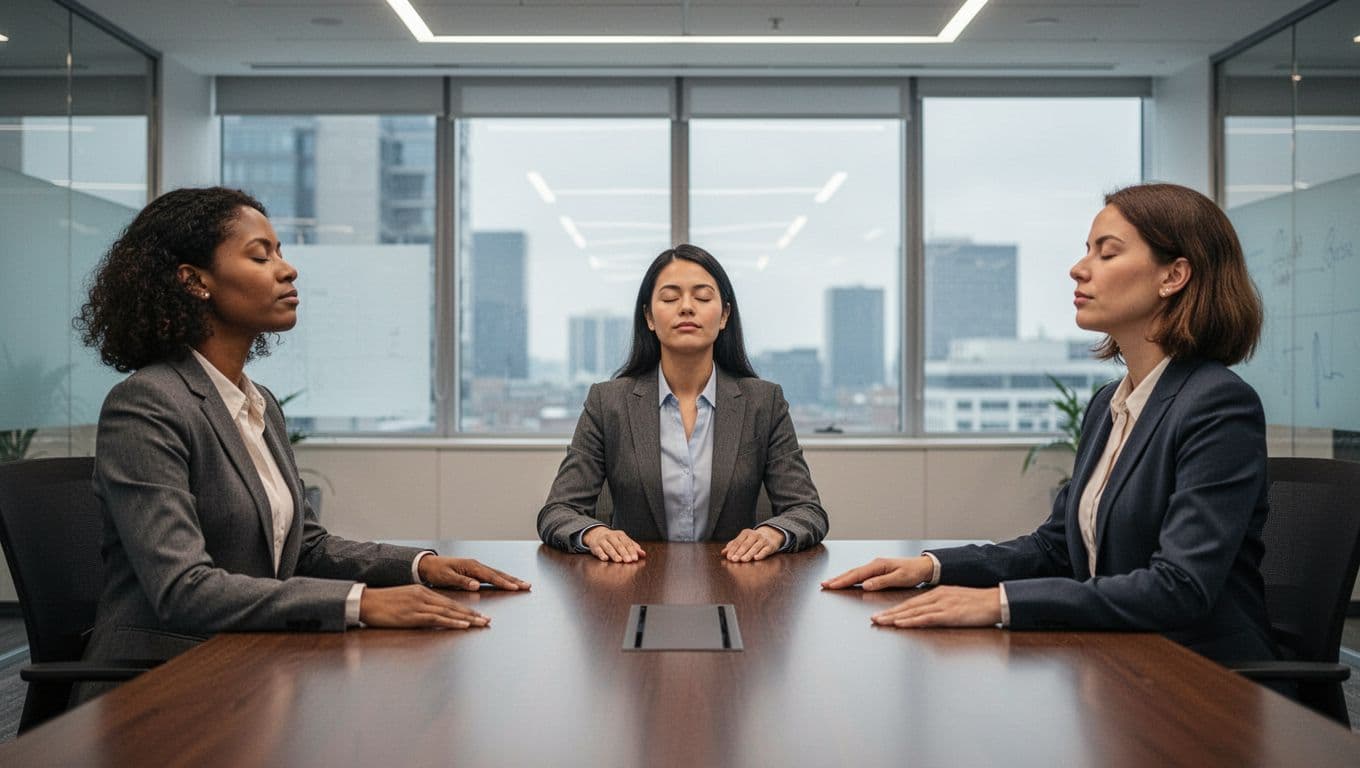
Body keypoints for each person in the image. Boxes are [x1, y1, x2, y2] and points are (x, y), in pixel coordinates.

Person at [74, 187, 530, 687]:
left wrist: (421, 566)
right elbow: (183, 588)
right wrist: (361, 603)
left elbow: (305, 548)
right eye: (260, 255)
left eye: (282, 253)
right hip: (160, 681)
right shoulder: (148, 404)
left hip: (251, 661)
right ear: (194, 281)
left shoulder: (258, 402)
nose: (287, 270)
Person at [823, 183, 1275, 665]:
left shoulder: (1218, 405)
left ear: (1174, 276)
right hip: (1119, 663)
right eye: (1087, 251)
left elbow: (1178, 588)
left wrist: (999, 603)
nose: (1078, 268)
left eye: (1107, 253)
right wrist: (931, 567)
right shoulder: (1109, 405)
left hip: (1205, 680)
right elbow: (1056, 547)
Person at [537, 244, 828, 563]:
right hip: (632, 583)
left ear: (724, 315)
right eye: (670, 298)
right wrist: (594, 533)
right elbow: (558, 511)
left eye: (702, 297)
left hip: (735, 584)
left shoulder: (764, 403)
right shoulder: (608, 403)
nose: (687, 308)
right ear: (648, 316)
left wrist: (773, 532)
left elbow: (807, 511)